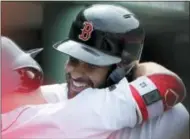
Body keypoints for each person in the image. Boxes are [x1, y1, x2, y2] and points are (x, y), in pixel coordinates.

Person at [2, 4, 189, 139]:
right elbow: (168, 84)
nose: (75, 73)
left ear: (120, 70)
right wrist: (141, 68)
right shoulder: (52, 104)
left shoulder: (167, 118)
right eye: (74, 60)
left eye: (92, 65)